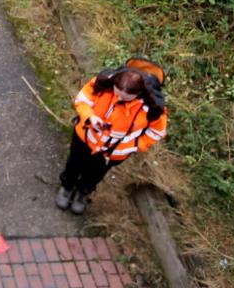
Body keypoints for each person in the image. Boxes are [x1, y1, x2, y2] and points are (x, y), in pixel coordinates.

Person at [57, 57, 168, 215]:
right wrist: (90, 116)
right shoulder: (102, 84)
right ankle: (66, 187)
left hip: (113, 153)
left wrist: (135, 145)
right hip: (84, 138)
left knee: (95, 174)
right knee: (74, 164)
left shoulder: (153, 109)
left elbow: (157, 132)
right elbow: (83, 99)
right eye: (117, 93)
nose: (119, 98)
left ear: (139, 93)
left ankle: (82, 193)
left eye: (126, 97)